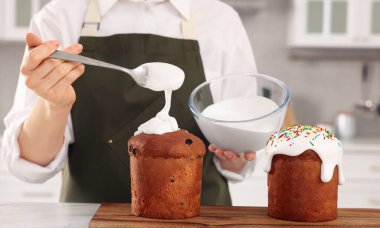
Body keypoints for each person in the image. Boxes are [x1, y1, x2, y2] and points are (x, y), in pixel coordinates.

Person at [1, 0, 257, 205]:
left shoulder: (221, 21)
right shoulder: (60, 17)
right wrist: (53, 105)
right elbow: (30, 165)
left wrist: (235, 154)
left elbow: (237, 157)